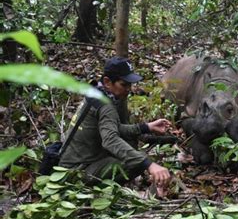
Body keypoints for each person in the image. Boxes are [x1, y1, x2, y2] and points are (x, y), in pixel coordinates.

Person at [60, 56, 171, 189]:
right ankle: (98, 190)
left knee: (133, 152)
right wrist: (149, 164)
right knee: (137, 162)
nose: (129, 89)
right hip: (76, 172)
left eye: (130, 84)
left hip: (69, 165)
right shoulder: (106, 106)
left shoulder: (96, 94)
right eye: (124, 84)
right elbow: (110, 139)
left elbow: (113, 129)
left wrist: (146, 127)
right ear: (107, 82)